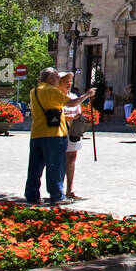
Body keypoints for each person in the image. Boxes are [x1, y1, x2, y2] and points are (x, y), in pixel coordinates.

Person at [24, 68, 89, 206]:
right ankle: (57, 195)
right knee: (56, 166)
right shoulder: (51, 90)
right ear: (51, 78)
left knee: (35, 167)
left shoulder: (34, 91)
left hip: (36, 133)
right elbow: (72, 103)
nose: (58, 80)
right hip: (54, 134)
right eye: (56, 78)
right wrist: (86, 95)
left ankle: (32, 195)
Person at [62, 73, 94, 201]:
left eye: (70, 81)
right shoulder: (57, 96)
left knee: (71, 160)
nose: (69, 83)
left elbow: (78, 111)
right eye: (66, 81)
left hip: (73, 131)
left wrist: (77, 117)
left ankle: (69, 189)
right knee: (59, 161)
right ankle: (57, 190)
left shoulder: (73, 96)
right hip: (61, 131)